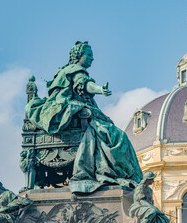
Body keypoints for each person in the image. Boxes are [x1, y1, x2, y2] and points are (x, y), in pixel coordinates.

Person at [26, 41, 143, 193]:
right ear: (79, 56)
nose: (92, 59)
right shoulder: (76, 71)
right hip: (73, 118)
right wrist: (101, 89)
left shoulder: (65, 71)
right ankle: (112, 171)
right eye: (89, 55)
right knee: (117, 136)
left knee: (109, 131)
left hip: (69, 114)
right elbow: (84, 85)